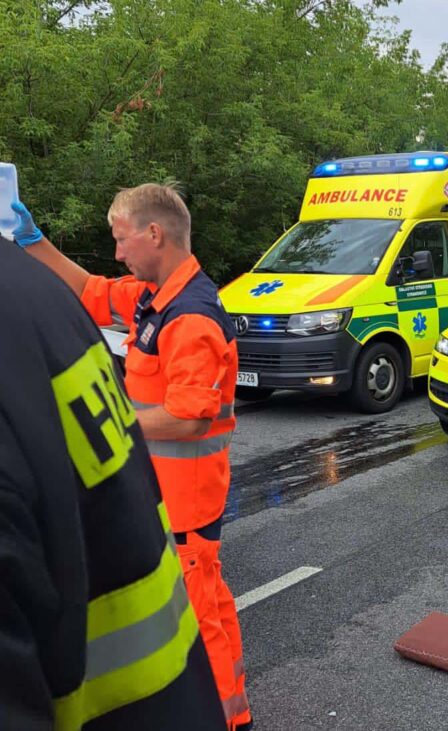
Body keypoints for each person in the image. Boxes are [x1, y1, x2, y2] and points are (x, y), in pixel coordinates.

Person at [10, 186, 251, 730]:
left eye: (121, 240)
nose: (117, 253)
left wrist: (103, 421)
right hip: (180, 498)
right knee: (211, 605)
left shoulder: (189, 317)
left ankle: (220, 719)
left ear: (154, 234)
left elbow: (189, 418)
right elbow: (91, 292)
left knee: (195, 625)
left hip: (186, 504)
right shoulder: (156, 296)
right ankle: (235, 713)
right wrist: (32, 241)